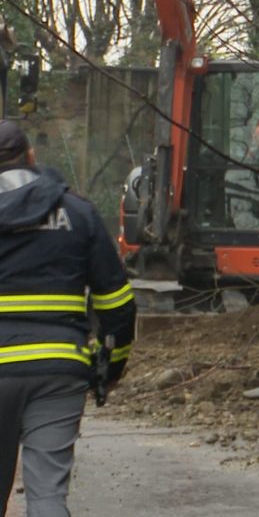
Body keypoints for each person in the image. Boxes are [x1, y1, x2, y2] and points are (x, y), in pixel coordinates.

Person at [0, 120, 136, 517]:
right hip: (59, 371)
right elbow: (117, 304)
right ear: (31, 157)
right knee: (47, 496)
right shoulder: (77, 212)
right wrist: (113, 365)